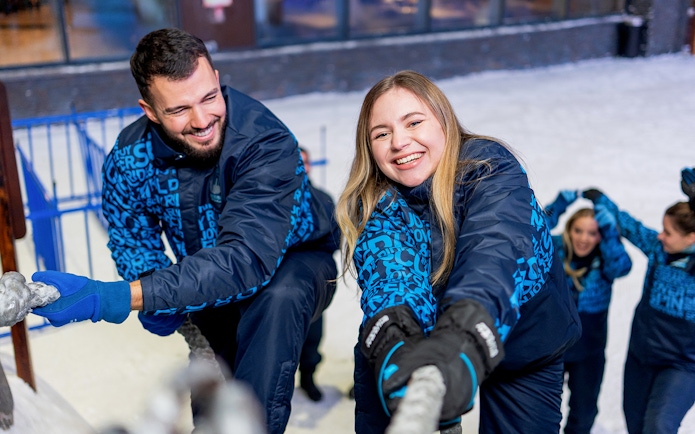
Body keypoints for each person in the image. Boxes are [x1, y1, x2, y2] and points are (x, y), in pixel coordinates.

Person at [31, 27, 339, 434]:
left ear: (216, 79)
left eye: (209, 98)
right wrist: (156, 289)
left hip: (292, 261)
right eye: (178, 110)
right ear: (150, 111)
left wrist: (117, 297)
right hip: (205, 278)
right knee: (213, 381)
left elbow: (246, 258)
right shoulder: (130, 160)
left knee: (277, 305)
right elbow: (131, 235)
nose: (202, 120)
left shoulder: (263, 142)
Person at [335, 70, 581, 433]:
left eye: (413, 122)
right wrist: (396, 347)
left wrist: (463, 338)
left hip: (523, 344)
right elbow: (393, 281)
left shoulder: (489, 169)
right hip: (426, 344)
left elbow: (495, 255)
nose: (399, 142)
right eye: (381, 133)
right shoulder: (374, 202)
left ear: (443, 121)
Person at [582, 185, 695, 434]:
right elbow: (632, 227)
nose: (661, 236)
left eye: (668, 232)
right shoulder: (659, 251)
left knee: (658, 425)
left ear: (691, 237)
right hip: (641, 356)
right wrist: (603, 202)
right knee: (637, 426)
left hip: (681, 365)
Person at [545, 190, 632, 434]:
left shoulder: (607, 259)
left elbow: (623, 267)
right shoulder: (555, 249)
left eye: (592, 233)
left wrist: (610, 231)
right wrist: (558, 205)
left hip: (589, 351)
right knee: (542, 411)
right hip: (553, 347)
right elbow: (531, 232)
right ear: (569, 230)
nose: (583, 239)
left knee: (583, 415)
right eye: (578, 230)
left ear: (600, 235)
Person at [296, 145, 336, 402]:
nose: (301, 167)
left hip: (314, 284)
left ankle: (308, 377)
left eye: (305, 162)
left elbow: (335, 237)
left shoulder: (322, 198)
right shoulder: (273, 197)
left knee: (312, 338)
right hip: (283, 282)